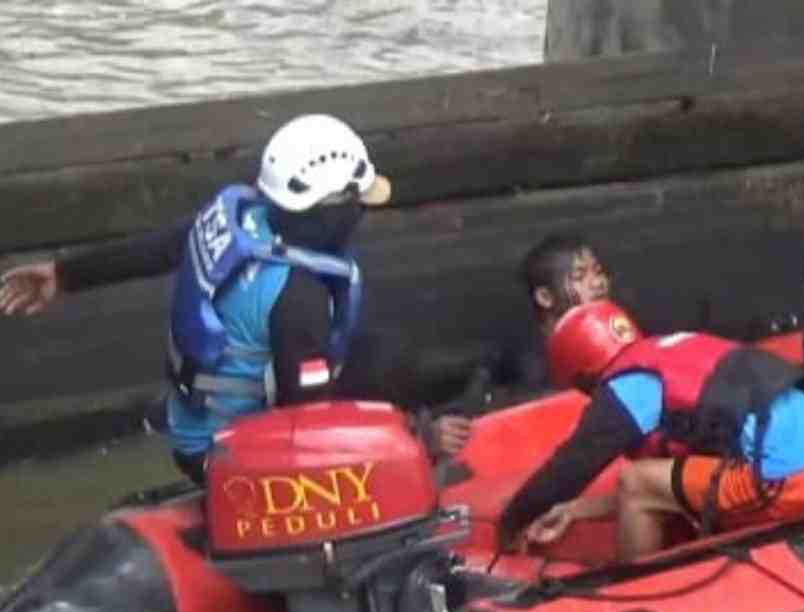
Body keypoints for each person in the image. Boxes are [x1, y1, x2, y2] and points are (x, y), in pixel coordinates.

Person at [0, 114, 470, 481]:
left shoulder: (243, 219)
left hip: (195, 421)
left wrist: (65, 275)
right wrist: (414, 440)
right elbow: (305, 427)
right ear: (329, 207)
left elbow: (160, 247)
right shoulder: (299, 299)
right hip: (224, 455)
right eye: (355, 202)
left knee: (382, 353)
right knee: (384, 373)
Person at [496, 299, 804, 561]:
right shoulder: (675, 350)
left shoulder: (628, 386)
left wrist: (513, 521)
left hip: (792, 479)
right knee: (666, 484)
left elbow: (570, 467)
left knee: (635, 482)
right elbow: (684, 480)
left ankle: (638, 596)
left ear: (582, 375)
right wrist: (577, 510)